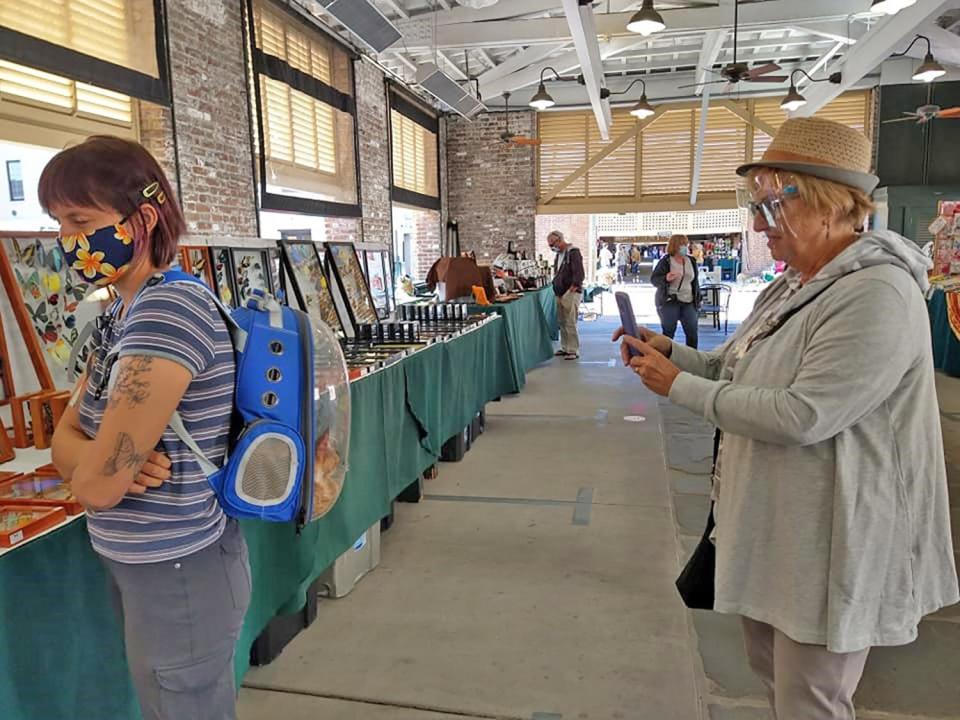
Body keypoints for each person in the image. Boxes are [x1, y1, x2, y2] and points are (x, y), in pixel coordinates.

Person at [615, 117, 959, 720]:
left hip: (835, 533)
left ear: (827, 206)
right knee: (775, 677)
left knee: (811, 697)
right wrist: (677, 355)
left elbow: (806, 413)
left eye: (769, 208)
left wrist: (682, 387)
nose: (756, 226)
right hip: (781, 525)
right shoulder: (793, 285)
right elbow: (738, 367)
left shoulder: (876, 293)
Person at [42, 136, 250, 720]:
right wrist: (97, 454)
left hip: (178, 566)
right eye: (58, 223)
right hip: (142, 561)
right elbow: (64, 439)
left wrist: (97, 461)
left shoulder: (165, 312)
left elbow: (97, 487)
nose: (67, 241)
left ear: (144, 217)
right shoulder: (117, 314)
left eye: (80, 220)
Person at [650, 234, 700, 349]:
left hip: (689, 301)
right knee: (668, 334)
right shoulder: (666, 261)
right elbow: (654, 280)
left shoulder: (691, 260)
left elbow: (695, 281)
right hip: (670, 301)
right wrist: (665, 278)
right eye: (683, 245)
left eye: (686, 245)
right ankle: (665, 359)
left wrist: (697, 298)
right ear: (675, 246)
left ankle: (693, 360)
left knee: (692, 333)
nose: (686, 247)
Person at [548, 230, 584, 359]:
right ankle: (565, 347)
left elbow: (579, 273)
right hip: (559, 292)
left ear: (559, 240)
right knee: (562, 321)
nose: (552, 247)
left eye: (552, 244)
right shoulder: (559, 255)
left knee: (570, 321)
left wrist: (573, 289)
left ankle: (573, 350)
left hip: (570, 292)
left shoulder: (573, 252)